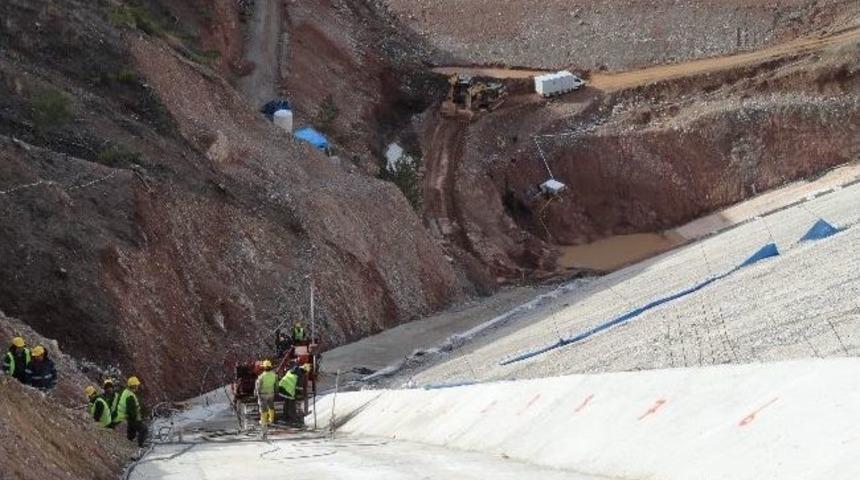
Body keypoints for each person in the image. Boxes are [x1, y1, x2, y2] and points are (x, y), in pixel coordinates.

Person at [115, 376, 147, 447]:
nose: (138, 387)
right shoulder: (130, 396)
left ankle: (130, 441)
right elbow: (132, 412)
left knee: (132, 430)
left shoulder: (126, 392)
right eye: (137, 386)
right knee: (144, 429)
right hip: (128, 417)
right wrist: (138, 421)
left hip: (123, 416)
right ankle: (140, 445)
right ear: (134, 386)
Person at [254, 359, 277, 427]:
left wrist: (257, 394)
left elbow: (258, 387)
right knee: (271, 406)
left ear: (264, 367)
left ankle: (264, 421)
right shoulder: (274, 375)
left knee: (263, 408)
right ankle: (271, 419)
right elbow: (276, 385)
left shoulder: (261, 376)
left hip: (263, 394)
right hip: (271, 393)